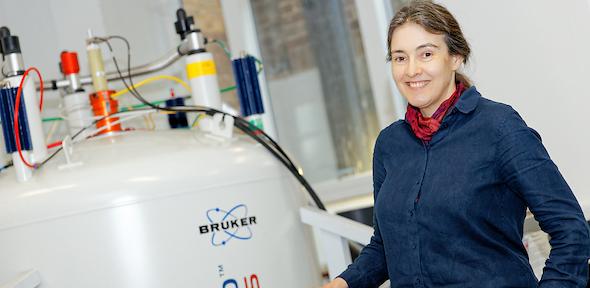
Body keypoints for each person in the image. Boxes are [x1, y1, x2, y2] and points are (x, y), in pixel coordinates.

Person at [322, 1, 590, 287]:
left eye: (426, 54)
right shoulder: (390, 145)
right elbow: (387, 248)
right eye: (400, 58)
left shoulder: (499, 127)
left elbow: (570, 230)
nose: (412, 70)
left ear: (456, 57)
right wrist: (344, 282)